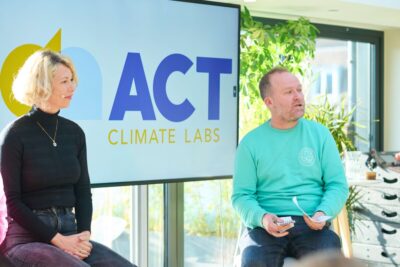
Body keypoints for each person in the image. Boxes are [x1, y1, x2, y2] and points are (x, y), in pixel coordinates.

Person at [0, 50, 136, 267]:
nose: (72, 87)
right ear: (42, 84)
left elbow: (83, 191)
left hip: (71, 234)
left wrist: (83, 236)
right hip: (27, 240)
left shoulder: (74, 133)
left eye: (72, 80)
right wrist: (58, 240)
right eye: (64, 81)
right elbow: (13, 202)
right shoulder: (14, 134)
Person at [232, 67, 349, 267]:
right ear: (269, 102)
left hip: (313, 225)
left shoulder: (320, 135)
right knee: (253, 260)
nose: (298, 97)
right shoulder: (250, 143)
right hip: (266, 226)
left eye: (299, 90)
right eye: (288, 92)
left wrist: (322, 213)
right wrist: (263, 218)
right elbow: (241, 197)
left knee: (330, 259)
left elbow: (337, 185)